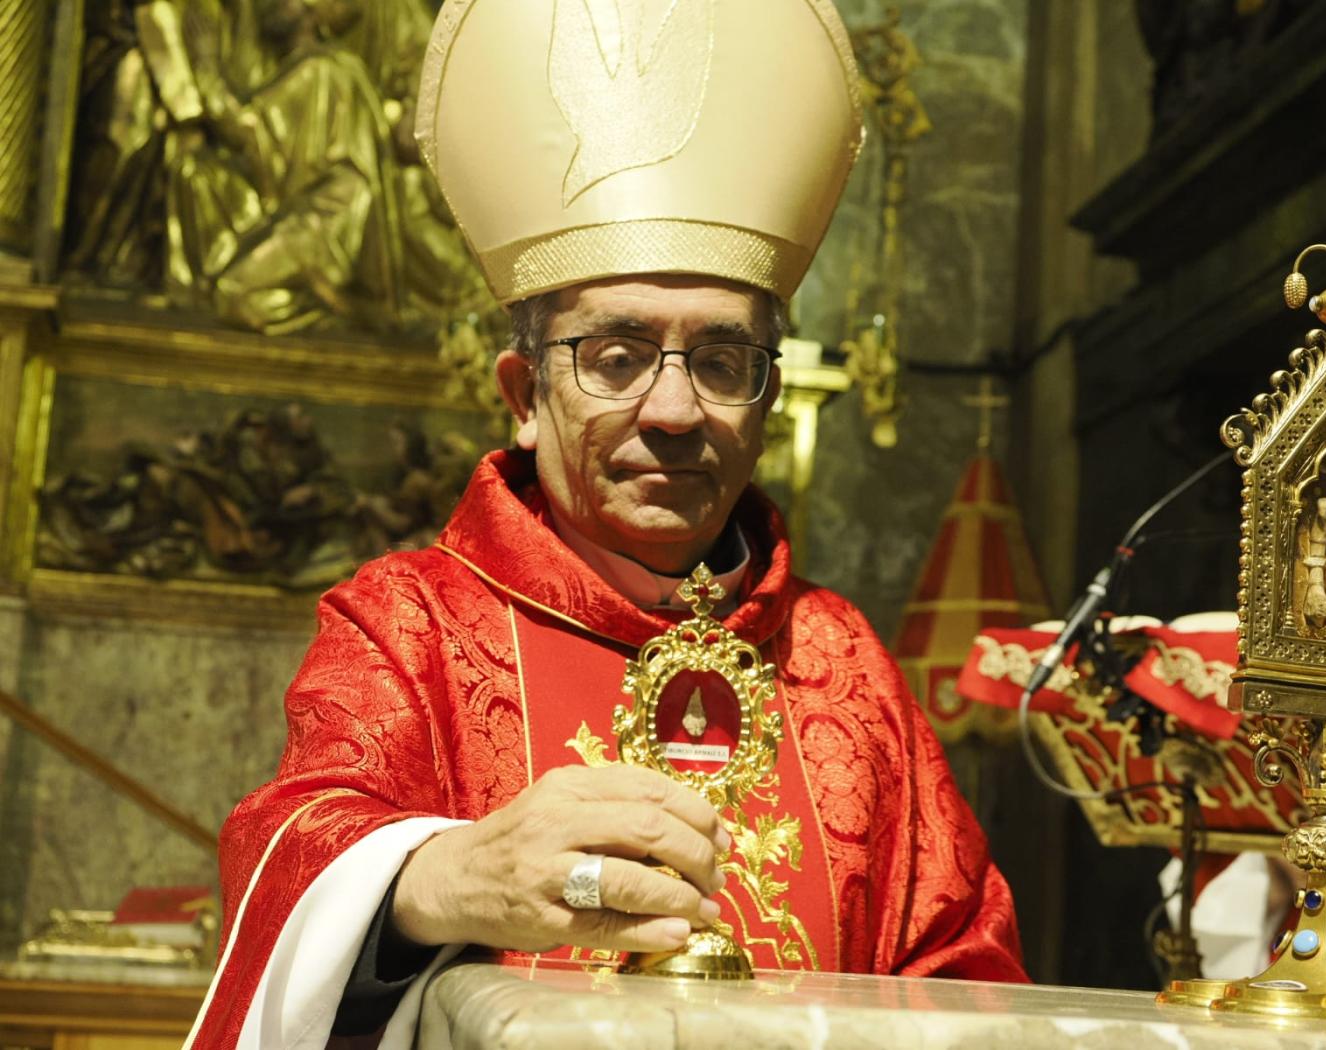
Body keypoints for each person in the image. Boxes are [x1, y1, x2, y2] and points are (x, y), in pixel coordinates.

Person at [183, 2, 1026, 1045]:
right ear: (524, 395)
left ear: (765, 400)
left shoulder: (842, 661)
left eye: (721, 361)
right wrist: (442, 875)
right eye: (616, 357)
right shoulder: (408, 625)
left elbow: (966, 970)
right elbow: (293, 844)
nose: (673, 410)